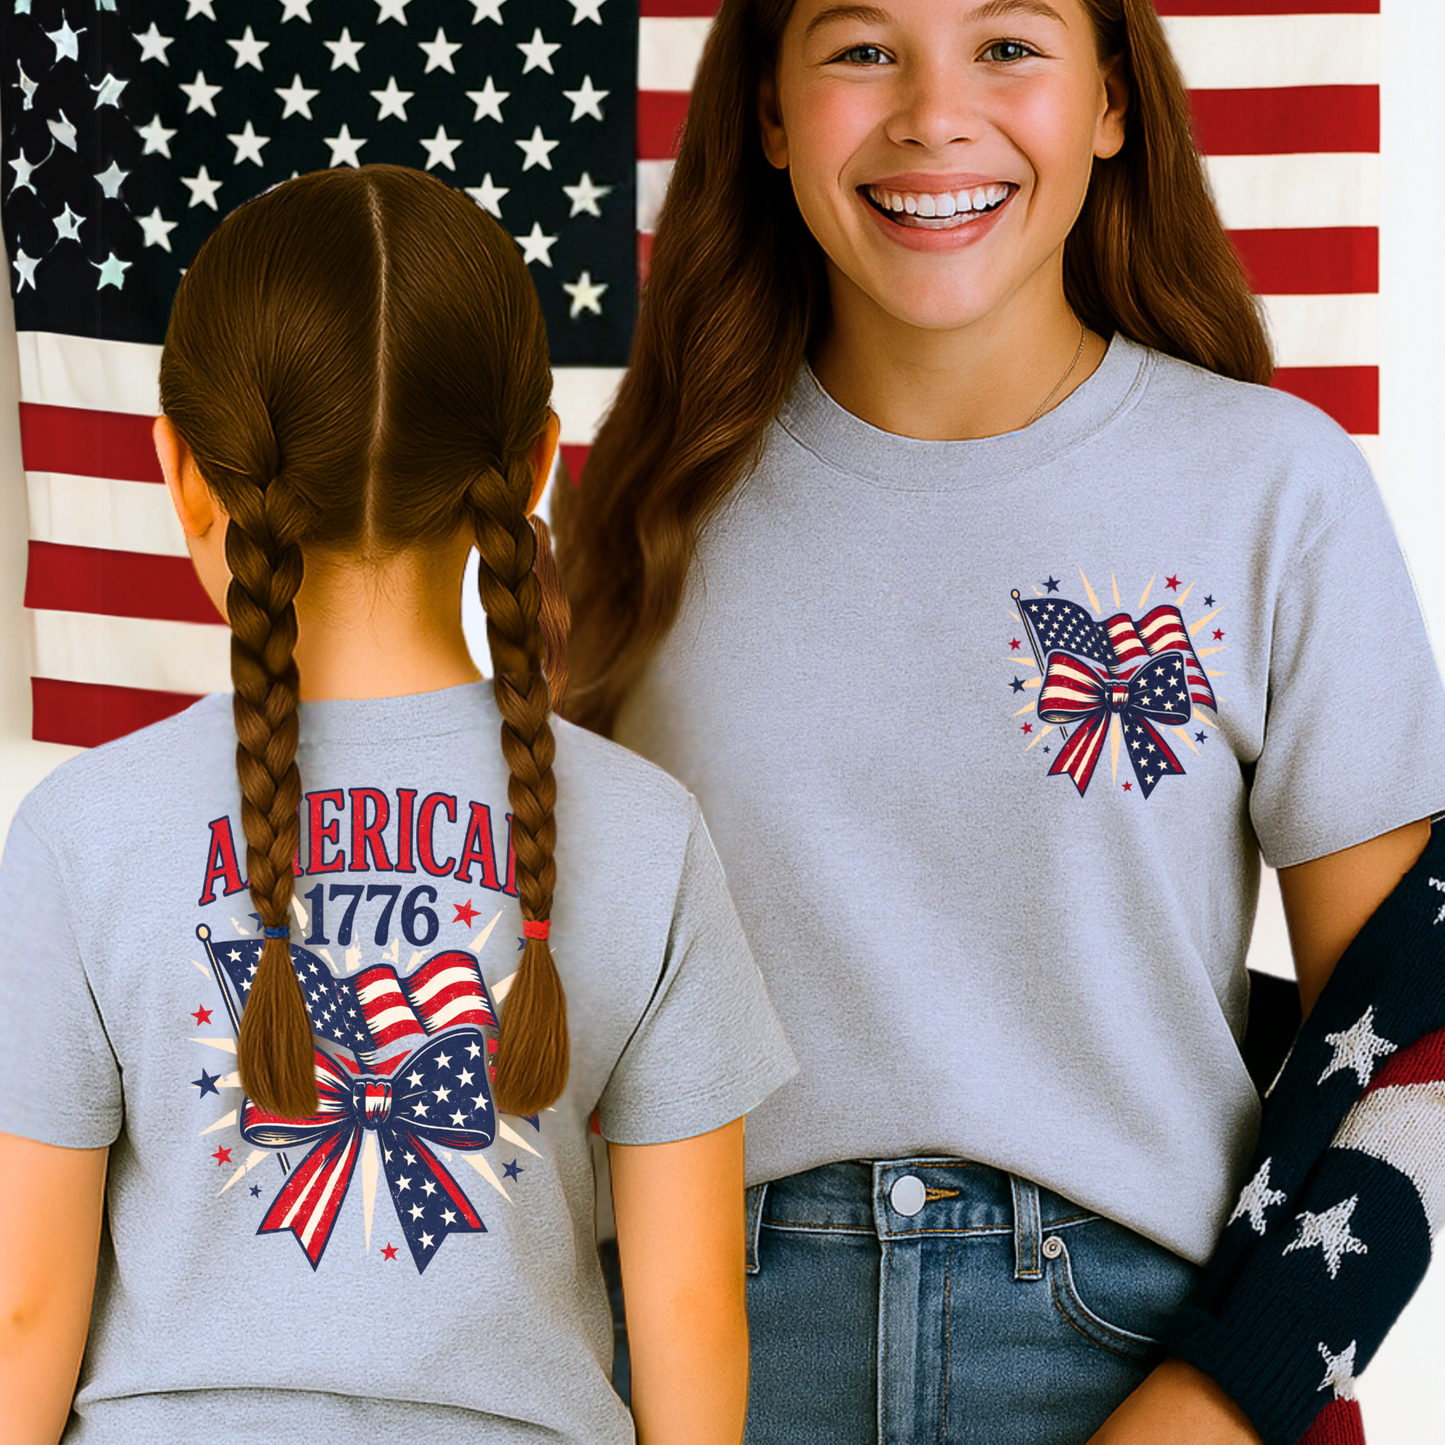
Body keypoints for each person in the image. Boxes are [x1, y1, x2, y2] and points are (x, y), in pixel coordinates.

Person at [548, 0, 1445, 1441]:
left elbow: (1402, 1036)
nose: (932, 113)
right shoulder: (630, 518)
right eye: (861, 50)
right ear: (768, 112)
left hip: (1137, 1356)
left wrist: (1226, 1401)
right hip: (693, 1358)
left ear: (1111, 101)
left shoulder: (1276, 490)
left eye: (1007, 46)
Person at [0, 164, 797, 1445]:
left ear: (183, 471)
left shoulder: (79, 832)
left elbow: (21, 1312)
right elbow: (692, 1313)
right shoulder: (648, 834)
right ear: (533, 464)